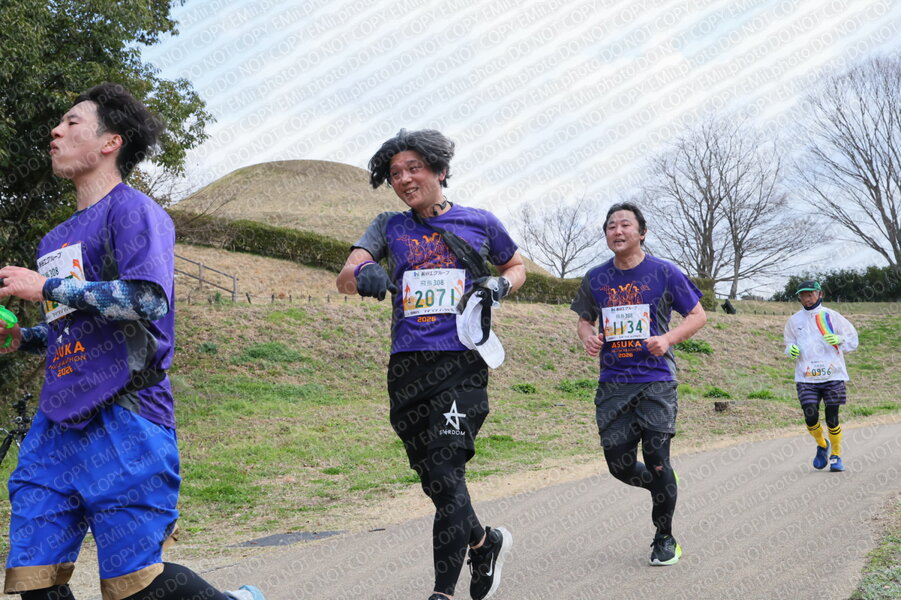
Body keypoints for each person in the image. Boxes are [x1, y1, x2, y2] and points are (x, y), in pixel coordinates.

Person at [0, 83, 265, 600]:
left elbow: (147, 299)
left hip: (127, 415)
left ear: (110, 142)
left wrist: (45, 287)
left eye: (72, 122)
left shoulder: (134, 211)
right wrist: (21, 338)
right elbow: (73, 329)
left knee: (135, 587)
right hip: (55, 426)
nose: (55, 131)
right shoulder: (54, 240)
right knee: (34, 580)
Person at [337, 129, 525, 600]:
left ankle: (442, 593)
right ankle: (483, 542)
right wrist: (365, 273)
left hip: (461, 363)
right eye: (395, 173)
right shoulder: (388, 226)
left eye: (413, 168)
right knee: (437, 483)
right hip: (406, 368)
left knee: (445, 472)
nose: (403, 179)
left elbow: (515, 266)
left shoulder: (480, 222)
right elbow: (345, 275)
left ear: (440, 170)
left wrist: (501, 286)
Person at [570, 202, 707, 567]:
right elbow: (584, 321)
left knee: (658, 459)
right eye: (611, 226)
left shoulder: (664, 271)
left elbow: (697, 315)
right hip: (613, 383)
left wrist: (668, 339)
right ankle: (664, 486)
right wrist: (588, 337)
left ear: (642, 233)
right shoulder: (596, 277)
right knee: (619, 465)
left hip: (656, 381)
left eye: (625, 225)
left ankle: (665, 537)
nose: (617, 231)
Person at [783, 280, 859, 472]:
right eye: (803, 295)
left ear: (820, 294)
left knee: (832, 418)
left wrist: (839, 339)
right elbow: (789, 343)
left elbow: (853, 340)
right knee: (810, 417)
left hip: (833, 375)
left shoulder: (832, 316)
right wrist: (790, 350)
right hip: (806, 377)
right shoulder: (794, 321)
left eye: (810, 294)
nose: (807, 299)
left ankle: (836, 455)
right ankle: (822, 445)